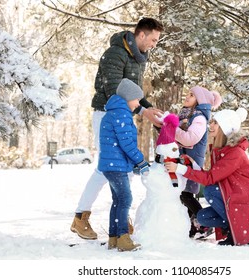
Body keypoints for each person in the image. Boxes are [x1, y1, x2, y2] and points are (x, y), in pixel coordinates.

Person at [70, 18, 164, 240]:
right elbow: (114, 89)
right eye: (153, 39)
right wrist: (143, 112)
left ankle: (120, 221)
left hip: (122, 114)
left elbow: (134, 92)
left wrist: (150, 108)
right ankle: (80, 217)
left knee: (125, 168)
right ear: (141, 35)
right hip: (106, 114)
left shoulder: (138, 58)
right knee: (106, 166)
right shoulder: (115, 53)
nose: (154, 44)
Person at [165, 107, 249, 246]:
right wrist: (194, 167)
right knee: (202, 217)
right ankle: (233, 227)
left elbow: (210, 179)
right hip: (234, 197)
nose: (210, 125)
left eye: (215, 123)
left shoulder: (235, 153)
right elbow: (214, 175)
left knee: (210, 190)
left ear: (225, 127)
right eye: (211, 122)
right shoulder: (220, 150)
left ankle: (235, 231)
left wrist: (180, 169)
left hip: (246, 200)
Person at [98, 78, 150, 251]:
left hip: (111, 165)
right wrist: (141, 161)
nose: (137, 104)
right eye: (136, 100)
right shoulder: (121, 113)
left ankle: (114, 238)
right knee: (125, 199)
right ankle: (123, 238)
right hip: (116, 166)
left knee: (118, 201)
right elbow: (126, 143)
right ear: (128, 98)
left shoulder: (114, 111)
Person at [175, 86, 222, 238]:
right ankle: (195, 227)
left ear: (199, 101)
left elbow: (190, 138)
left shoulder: (199, 118)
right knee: (184, 195)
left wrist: (172, 129)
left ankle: (204, 224)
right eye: (187, 94)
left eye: (192, 95)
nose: (187, 97)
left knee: (186, 195)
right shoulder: (187, 115)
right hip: (183, 160)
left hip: (192, 162)